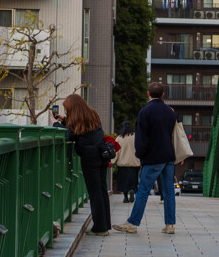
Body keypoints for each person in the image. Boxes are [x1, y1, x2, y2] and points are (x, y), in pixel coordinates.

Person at [114, 82, 177, 234]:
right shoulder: (170, 112)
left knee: (143, 190)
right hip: (169, 155)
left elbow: (141, 138)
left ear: (149, 94)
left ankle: (133, 223)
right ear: (163, 94)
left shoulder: (145, 112)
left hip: (153, 157)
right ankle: (170, 225)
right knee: (168, 191)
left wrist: (141, 155)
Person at [62, 94, 112, 236]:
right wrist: (65, 121)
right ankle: (105, 224)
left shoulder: (77, 119)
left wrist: (58, 124)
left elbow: (70, 136)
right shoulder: (92, 114)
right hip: (101, 154)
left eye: (67, 109)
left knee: (94, 192)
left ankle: (100, 228)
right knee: (102, 189)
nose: (66, 112)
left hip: (89, 158)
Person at [113, 121, 140, 202]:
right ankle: (132, 190)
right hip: (134, 164)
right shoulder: (136, 137)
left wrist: (112, 161)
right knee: (133, 180)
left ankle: (125, 197)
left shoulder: (119, 138)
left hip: (122, 164)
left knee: (123, 181)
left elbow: (116, 151)